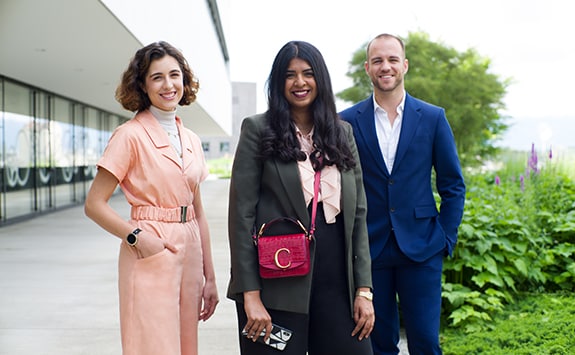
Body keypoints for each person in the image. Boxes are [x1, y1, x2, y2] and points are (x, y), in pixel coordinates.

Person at [226, 40, 375, 355]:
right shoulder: (257, 129)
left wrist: (364, 290)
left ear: (320, 79)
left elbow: (358, 215)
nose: (299, 82)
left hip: (338, 284)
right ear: (279, 82)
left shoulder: (342, 133)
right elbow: (241, 217)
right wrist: (250, 294)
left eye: (308, 73)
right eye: (290, 75)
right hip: (276, 281)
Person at [84, 41, 218, 355]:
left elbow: (198, 212)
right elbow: (94, 203)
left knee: (186, 345)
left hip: (191, 246)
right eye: (157, 77)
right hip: (150, 244)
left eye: (175, 75)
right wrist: (137, 237)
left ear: (184, 81)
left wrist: (209, 277)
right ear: (143, 85)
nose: (168, 84)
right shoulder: (129, 135)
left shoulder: (192, 139)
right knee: (153, 345)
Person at [339, 33, 466, 355]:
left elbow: (453, 185)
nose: (386, 67)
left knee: (425, 341)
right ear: (367, 68)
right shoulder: (346, 122)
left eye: (393, 59)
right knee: (378, 344)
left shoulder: (433, 117)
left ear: (404, 65)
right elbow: (340, 187)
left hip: (423, 249)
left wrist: (445, 239)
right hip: (370, 250)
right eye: (378, 60)